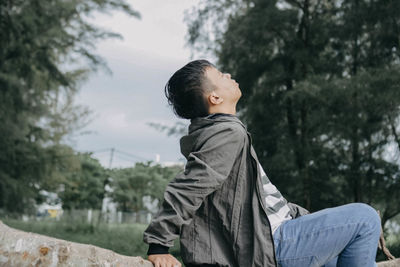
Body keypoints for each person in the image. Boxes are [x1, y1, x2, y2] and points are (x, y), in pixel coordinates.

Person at [142, 59, 382, 267]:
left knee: (349, 250)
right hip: (273, 246)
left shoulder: (220, 133)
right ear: (214, 97)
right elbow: (190, 188)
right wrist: (158, 245)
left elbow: (264, 205)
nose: (227, 75)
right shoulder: (226, 133)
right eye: (220, 75)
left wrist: (306, 219)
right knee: (365, 217)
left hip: (275, 237)